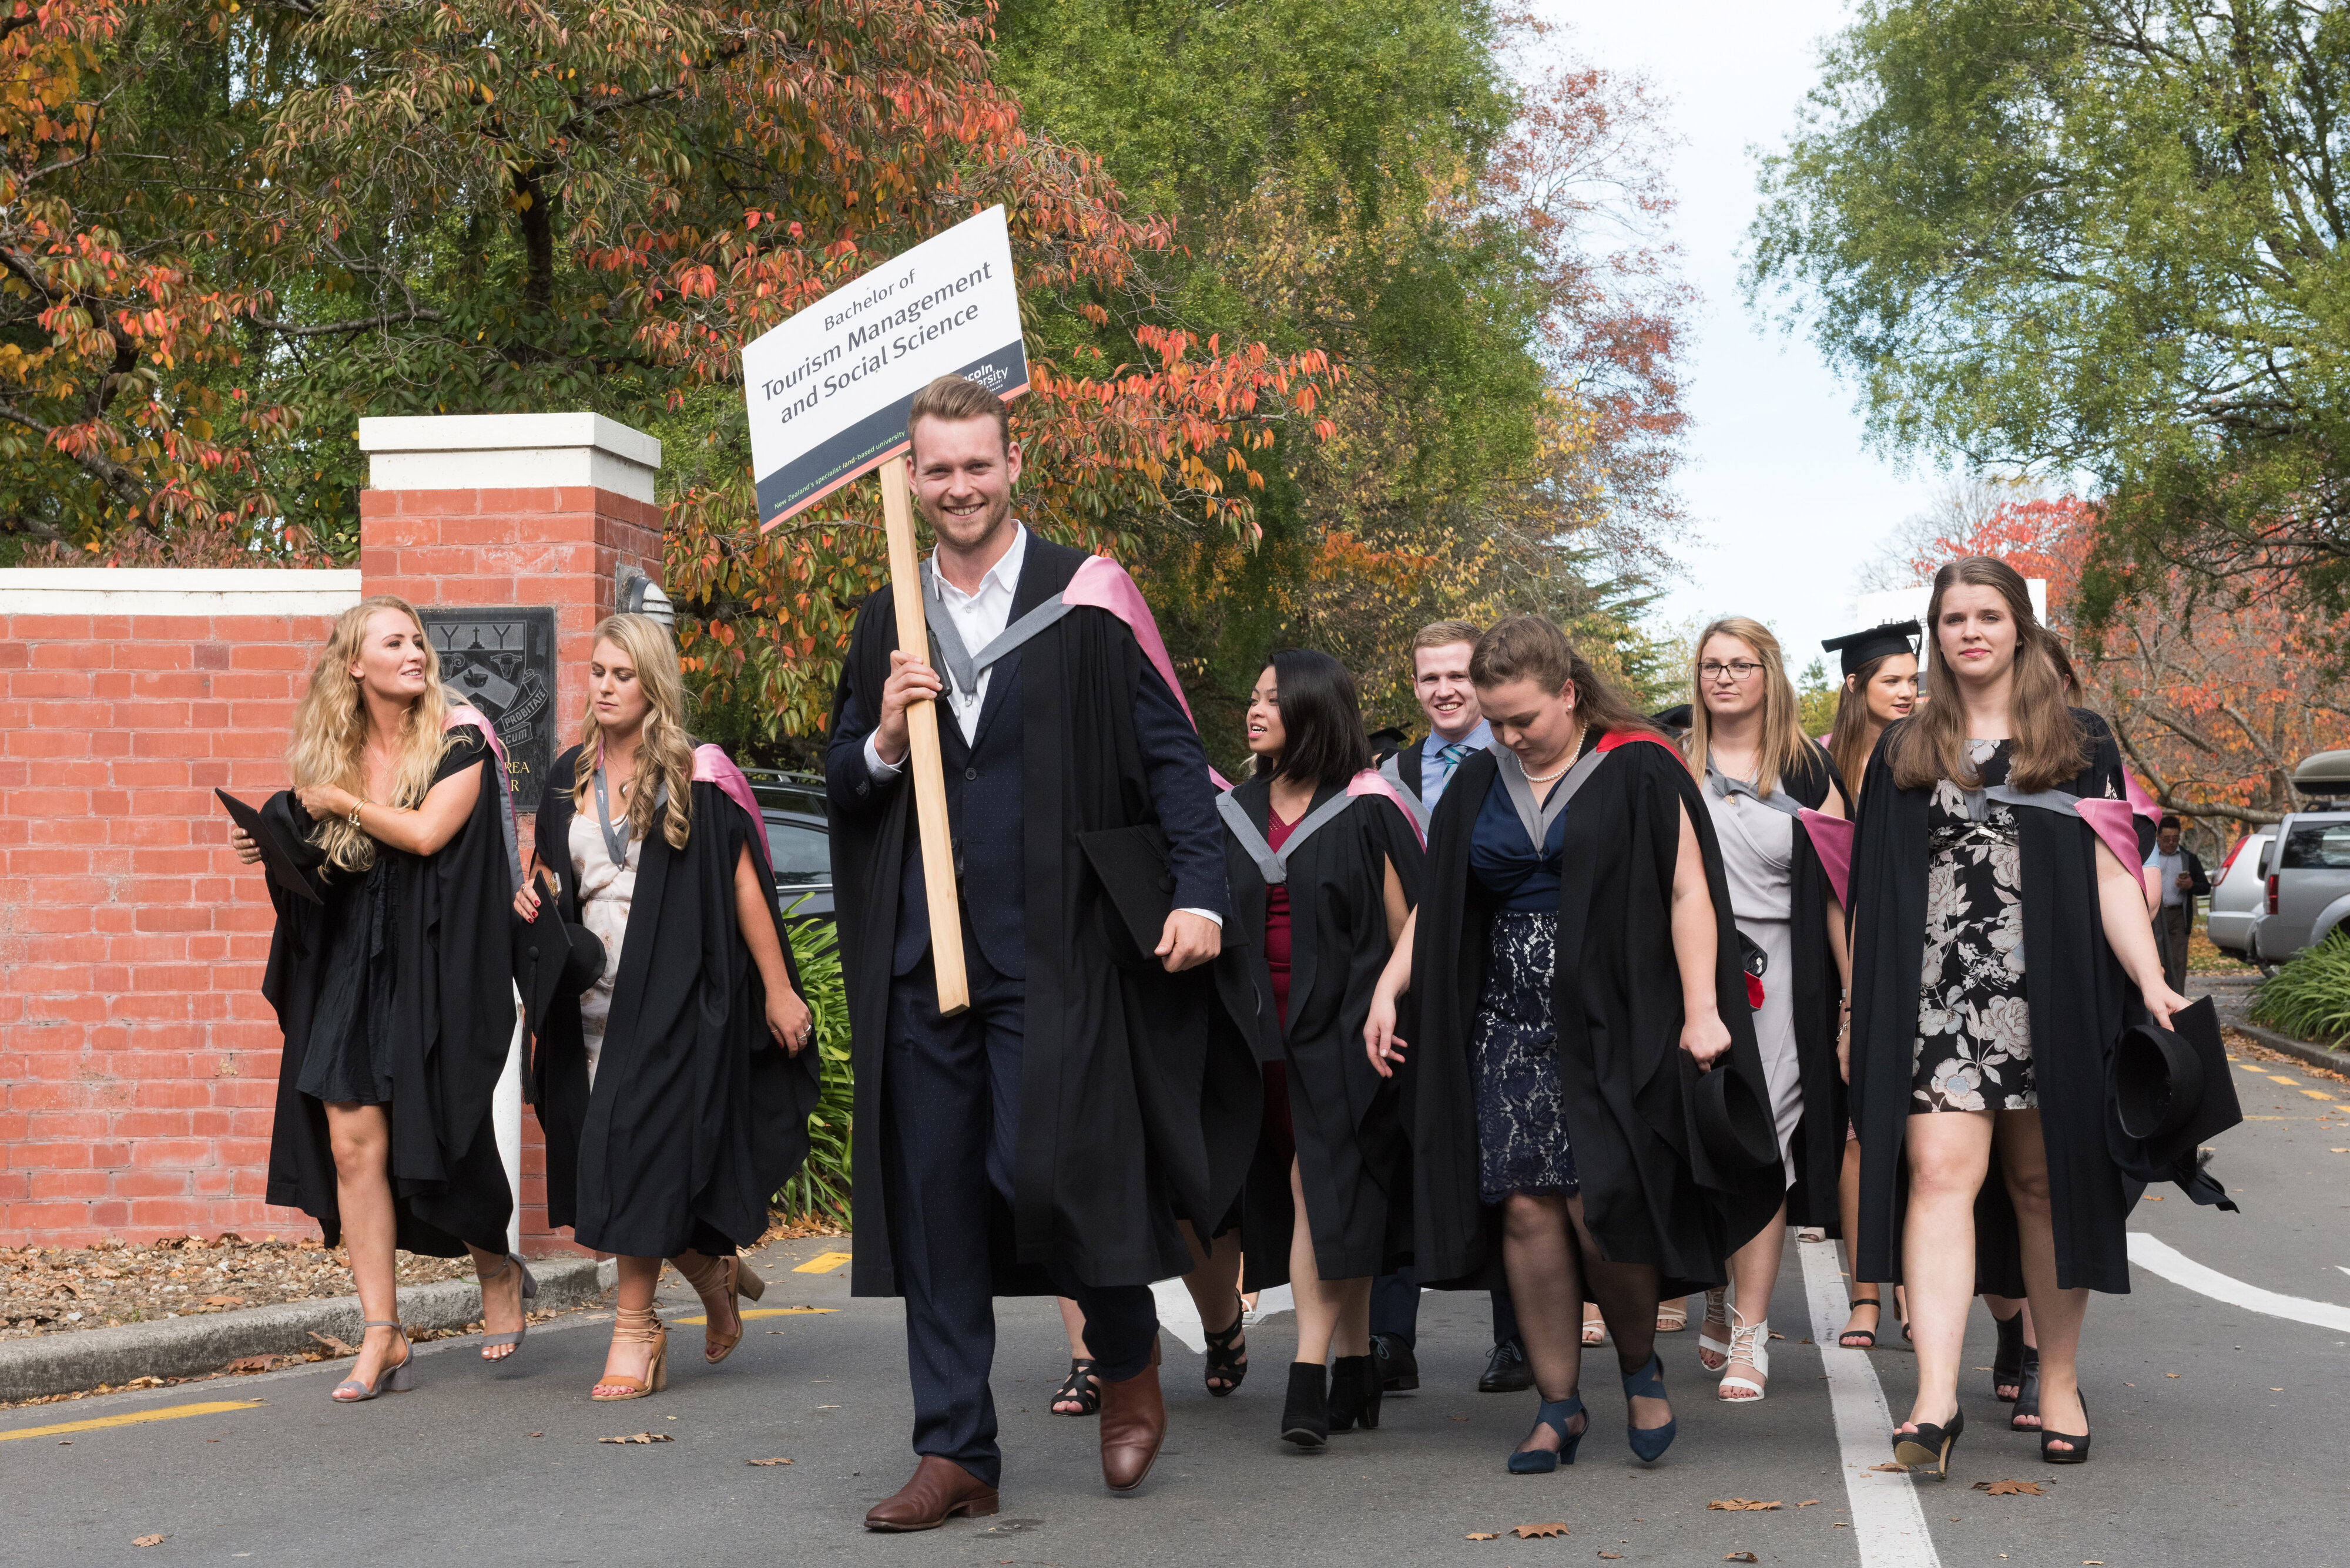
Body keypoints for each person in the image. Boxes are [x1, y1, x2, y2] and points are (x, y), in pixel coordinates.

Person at [826, 375, 1258, 1529]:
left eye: (978, 464)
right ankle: (955, 1449)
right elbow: (842, 775)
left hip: (1055, 948)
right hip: (926, 951)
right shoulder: (886, 614)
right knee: (937, 1203)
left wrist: (1200, 891)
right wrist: (882, 734)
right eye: (938, 468)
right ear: (911, 478)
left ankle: (1123, 1351)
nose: (959, 486)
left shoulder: (1087, 595)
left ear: (1012, 464)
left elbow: (1171, 757)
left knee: (1048, 1173)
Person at [1366, 615, 1781, 1473]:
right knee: (1524, 1207)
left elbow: (1687, 892)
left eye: (1522, 719)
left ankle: (1637, 1367)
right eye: (1495, 721)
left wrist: (1702, 1009)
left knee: (1602, 1205)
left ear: (1567, 692)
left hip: (1615, 1017)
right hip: (1505, 1018)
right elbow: (1443, 900)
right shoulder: (1479, 779)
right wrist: (1389, 985)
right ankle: (1558, 1404)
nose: (1508, 736)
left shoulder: (1638, 765)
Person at [1846, 556, 2185, 1477]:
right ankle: (1933, 1398)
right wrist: (1855, 1015)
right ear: (1935, 633)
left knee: (2044, 1188)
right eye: (1952, 618)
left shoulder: (2078, 740)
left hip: (2053, 997)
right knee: (1936, 1177)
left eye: (1986, 615)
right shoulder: (1902, 746)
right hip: (1936, 1000)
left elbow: (2113, 874)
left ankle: (2059, 1379)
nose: (1969, 632)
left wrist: (2150, 981)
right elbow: (1871, 894)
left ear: (2018, 629)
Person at [513, 613, 820, 1401]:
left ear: (652, 685)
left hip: (673, 998)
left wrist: (778, 987)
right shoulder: (567, 774)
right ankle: (713, 1275)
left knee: (633, 1152)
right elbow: (550, 875)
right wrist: (530, 897)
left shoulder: (694, 774)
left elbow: (742, 883)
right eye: (599, 672)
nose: (607, 687)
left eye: (623, 674)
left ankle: (635, 1330)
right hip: (587, 1003)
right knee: (609, 1161)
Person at [232, 595, 528, 1403]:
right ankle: (381, 1330)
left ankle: (495, 1268)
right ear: (355, 665)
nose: (414, 653)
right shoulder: (337, 748)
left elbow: (428, 833)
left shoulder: (462, 738)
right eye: (394, 643)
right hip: (353, 962)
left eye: (417, 640)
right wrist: (274, 837)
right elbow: (320, 858)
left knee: (445, 1135)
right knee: (353, 1145)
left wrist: (344, 804)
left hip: (435, 964)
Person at [1220, 650, 1422, 1448]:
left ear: (1313, 708)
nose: (1255, 709)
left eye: (1273, 698)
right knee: (1331, 1202)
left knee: (1322, 1188)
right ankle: (1357, 1365)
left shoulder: (1366, 807)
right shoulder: (1233, 809)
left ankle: (1305, 1376)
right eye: (1253, 696)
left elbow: (1412, 924)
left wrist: (1386, 998)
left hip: (1345, 1030)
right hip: (1255, 1035)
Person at [1682, 618, 1851, 1403]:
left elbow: (1839, 894)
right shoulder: (1672, 764)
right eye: (1711, 664)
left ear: (1769, 675)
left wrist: (1850, 1000)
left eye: (1740, 664)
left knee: (1763, 1144)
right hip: (1691, 975)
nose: (1723, 677)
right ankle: (1714, 1288)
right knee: (1700, 1141)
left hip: (1782, 979)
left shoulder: (1809, 771)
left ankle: (1750, 1330)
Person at [1365, 620, 1532, 1398]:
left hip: (1501, 981)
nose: (1443, 690)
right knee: (1399, 1149)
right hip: (1411, 984)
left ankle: (1516, 1336)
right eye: (1428, 677)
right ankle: (1389, 1337)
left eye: (1458, 675)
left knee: (1508, 1150)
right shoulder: (1388, 776)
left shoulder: (1520, 761)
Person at [1818, 619, 1919, 1352]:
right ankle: (1866, 1293)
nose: (1908, 692)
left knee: (1923, 1135)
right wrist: (1855, 997)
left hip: (1921, 961)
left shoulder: (1928, 753)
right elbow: (1834, 893)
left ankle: (1916, 1284)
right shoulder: (1825, 768)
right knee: (1859, 1133)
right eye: (1893, 680)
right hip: (1848, 967)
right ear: (1855, 684)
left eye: (1914, 680)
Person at [2146, 816, 2208, 994]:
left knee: (2178, 963)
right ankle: (2155, 999)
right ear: (2158, 837)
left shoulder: (2189, 859)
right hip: (2154, 915)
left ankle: (2177, 1000)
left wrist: (2191, 885)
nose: (2171, 843)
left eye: (2175, 839)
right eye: (2167, 839)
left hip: (2179, 916)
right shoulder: (2148, 857)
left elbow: (2206, 887)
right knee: (2154, 960)